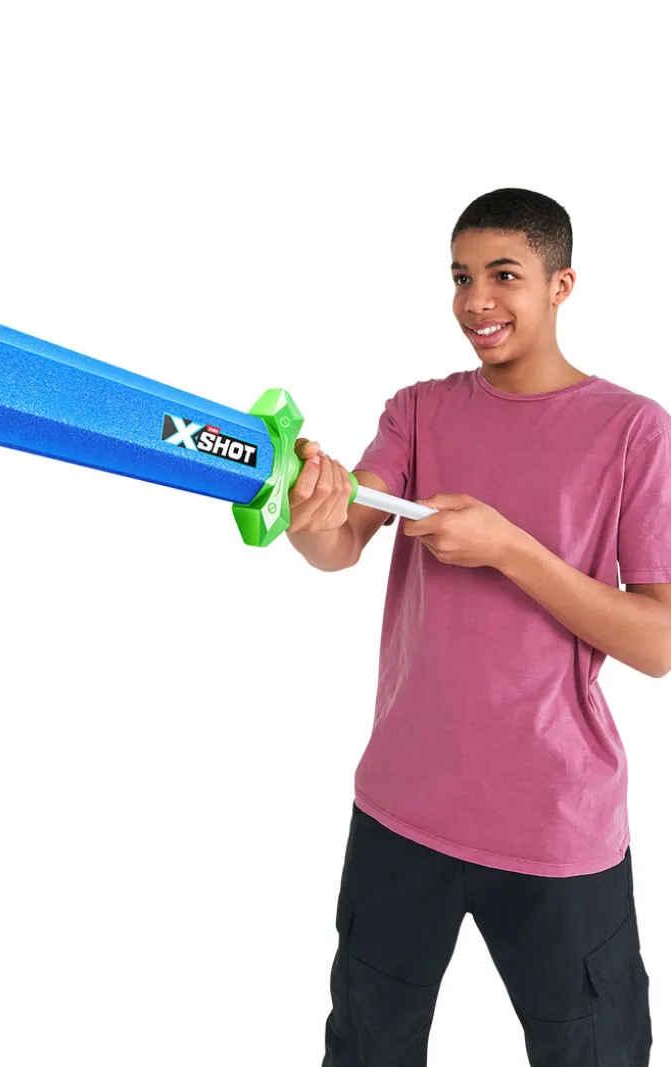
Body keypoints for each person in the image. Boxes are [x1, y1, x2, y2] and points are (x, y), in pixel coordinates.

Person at [287, 188, 668, 1066]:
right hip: (402, 805)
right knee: (368, 1048)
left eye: (504, 275)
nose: (476, 302)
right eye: (461, 277)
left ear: (561, 284)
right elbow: (340, 542)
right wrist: (309, 510)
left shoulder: (634, 430)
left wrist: (510, 549)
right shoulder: (419, 409)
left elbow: (658, 642)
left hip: (555, 822)